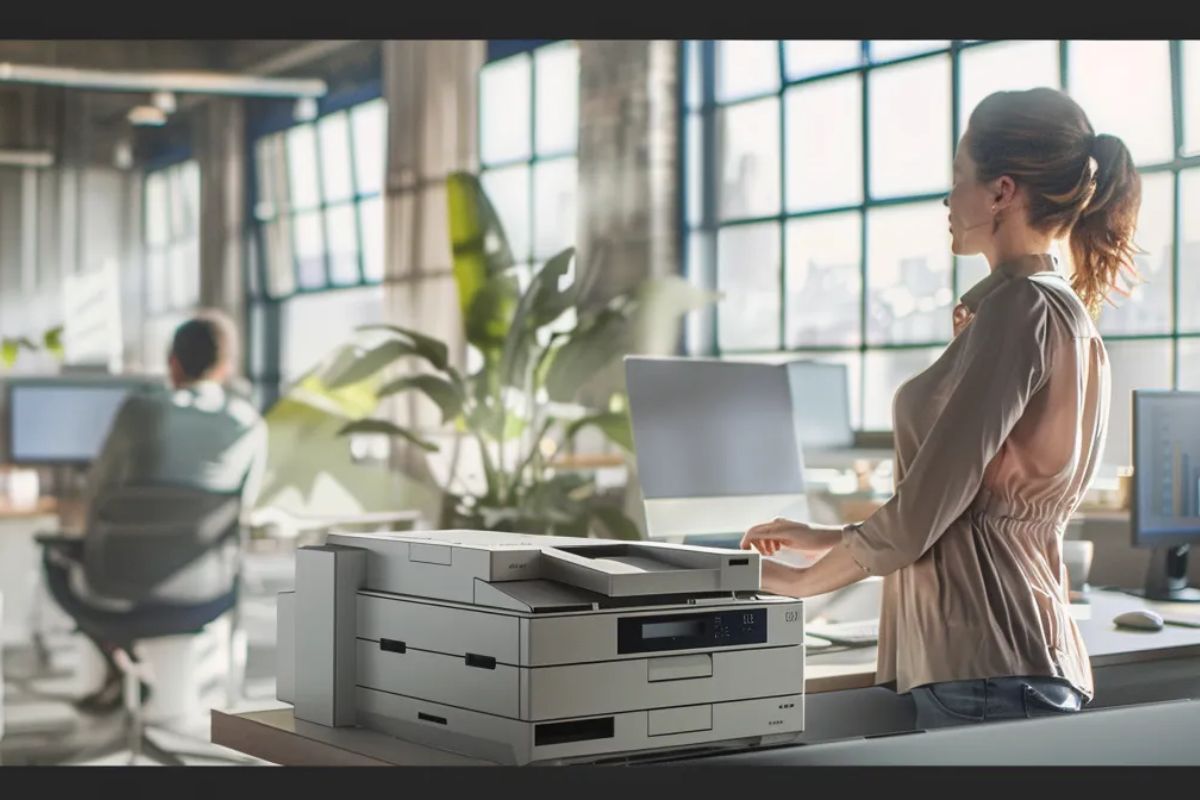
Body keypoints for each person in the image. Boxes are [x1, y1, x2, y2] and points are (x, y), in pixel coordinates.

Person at [741, 88, 1142, 729]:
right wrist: (830, 540)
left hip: (987, 662)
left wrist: (790, 585)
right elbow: (964, 501)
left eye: (959, 179)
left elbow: (926, 510)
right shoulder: (1050, 308)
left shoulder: (1021, 311)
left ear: (1001, 191)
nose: (949, 200)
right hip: (1010, 659)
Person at [45, 309, 268, 712]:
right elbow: (243, 511)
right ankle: (125, 668)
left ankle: (119, 659)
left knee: (56, 557)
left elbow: (98, 493)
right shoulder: (250, 425)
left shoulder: (140, 411)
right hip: (206, 592)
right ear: (227, 367)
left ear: (173, 363)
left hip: (117, 586)